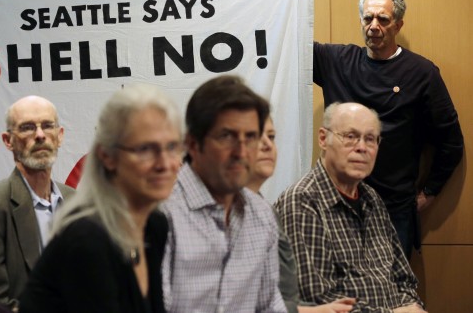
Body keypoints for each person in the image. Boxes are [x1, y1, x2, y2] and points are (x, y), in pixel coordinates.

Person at [313, 0, 464, 257]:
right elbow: (286, 40)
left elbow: (450, 141)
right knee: (338, 294)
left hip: (393, 210)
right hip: (336, 204)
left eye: (383, 19)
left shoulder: (422, 72)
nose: (373, 26)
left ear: (398, 25)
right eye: (368, 18)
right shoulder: (334, 60)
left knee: (393, 295)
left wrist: (429, 193)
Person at [19, 84, 183, 312]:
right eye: (146, 149)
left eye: (172, 147)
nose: (165, 163)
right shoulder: (87, 239)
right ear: (107, 157)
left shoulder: (155, 225)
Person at [274, 102, 426, 313]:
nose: (362, 147)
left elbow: (405, 280)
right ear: (323, 139)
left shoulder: (372, 199)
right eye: (350, 136)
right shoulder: (302, 202)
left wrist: (412, 307)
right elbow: (318, 301)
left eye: (370, 139)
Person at [161, 75, 286, 312]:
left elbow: (269, 304)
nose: (241, 152)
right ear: (193, 144)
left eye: (250, 137)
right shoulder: (161, 214)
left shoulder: (261, 214)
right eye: (227, 136)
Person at [0, 95, 76, 310]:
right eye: (27, 128)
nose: (40, 135)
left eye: (47, 126)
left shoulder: (76, 202)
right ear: (8, 140)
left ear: (59, 136)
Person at [247, 118, 354, 313]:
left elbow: (282, 298)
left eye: (271, 137)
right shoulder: (300, 199)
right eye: (252, 136)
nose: (267, 145)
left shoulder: (262, 210)